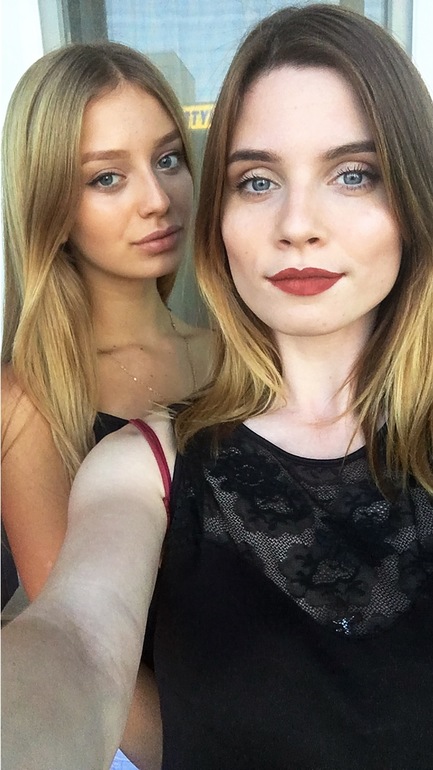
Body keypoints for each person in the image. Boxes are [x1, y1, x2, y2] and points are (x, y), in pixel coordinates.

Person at [2, 4, 433, 769]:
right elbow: (76, 635)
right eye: (257, 180)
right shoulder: (127, 450)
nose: (297, 224)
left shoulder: (212, 358)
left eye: (352, 173)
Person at [1, 41, 213, 769]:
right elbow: (89, 657)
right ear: (51, 206)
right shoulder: (28, 401)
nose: (157, 198)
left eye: (168, 159)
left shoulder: (241, 360)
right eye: (106, 177)